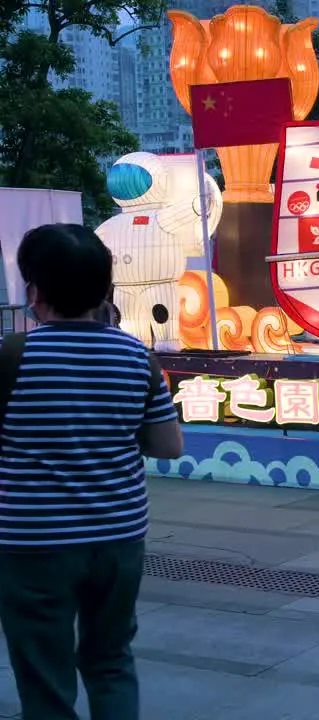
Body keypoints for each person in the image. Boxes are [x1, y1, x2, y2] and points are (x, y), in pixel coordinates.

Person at [0, 223, 184, 720]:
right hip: (119, 540)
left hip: (33, 544)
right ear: (107, 289)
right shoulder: (136, 357)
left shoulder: (13, 356)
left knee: (44, 672)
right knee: (110, 661)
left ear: (34, 291)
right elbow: (168, 445)